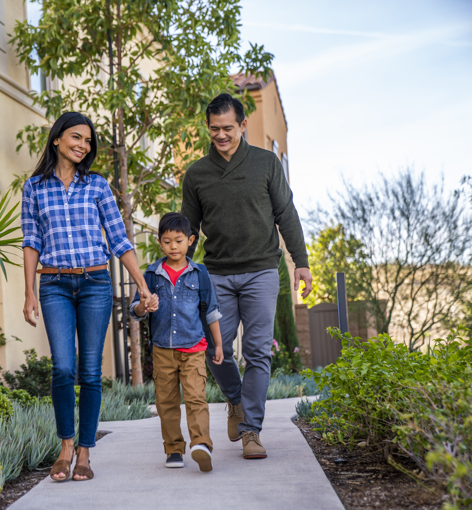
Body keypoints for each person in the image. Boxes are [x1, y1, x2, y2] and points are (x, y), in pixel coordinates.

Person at [21, 112, 152, 481]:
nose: (83, 145)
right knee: (63, 367)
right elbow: (31, 241)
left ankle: (84, 453)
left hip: (95, 282)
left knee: (91, 371)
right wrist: (28, 291)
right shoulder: (33, 188)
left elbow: (119, 239)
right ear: (57, 139)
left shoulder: (97, 185)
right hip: (54, 284)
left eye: (88, 141)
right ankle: (65, 446)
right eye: (76, 137)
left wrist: (141, 284)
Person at [181, 93, 313, 459]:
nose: (221, 135)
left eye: (228, 128)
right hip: (217, 273)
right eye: (214, 129)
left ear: (242, 125)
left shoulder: (266, 164)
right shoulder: (196, 174)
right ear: (207, 128)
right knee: (213, 348)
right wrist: (181, 274)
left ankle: (251, 430)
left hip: (261, 272)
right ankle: (236, 400)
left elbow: (286, 213)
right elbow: (188, 229)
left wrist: (300, 261)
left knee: (257, 352)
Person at [130, 212, 224, 472]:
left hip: (193, 348)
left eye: (179, 241)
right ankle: (173, 449)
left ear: (190, 241)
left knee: (196, 398)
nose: (173, 246)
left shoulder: (200, 275)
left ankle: (201, 444)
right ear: (159, 242)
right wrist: (143, 307)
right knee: (166, 403)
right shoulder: (151, 275)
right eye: (168, 241)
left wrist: (218, 344)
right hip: (162, 350)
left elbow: (212, 311)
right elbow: (135, 312)